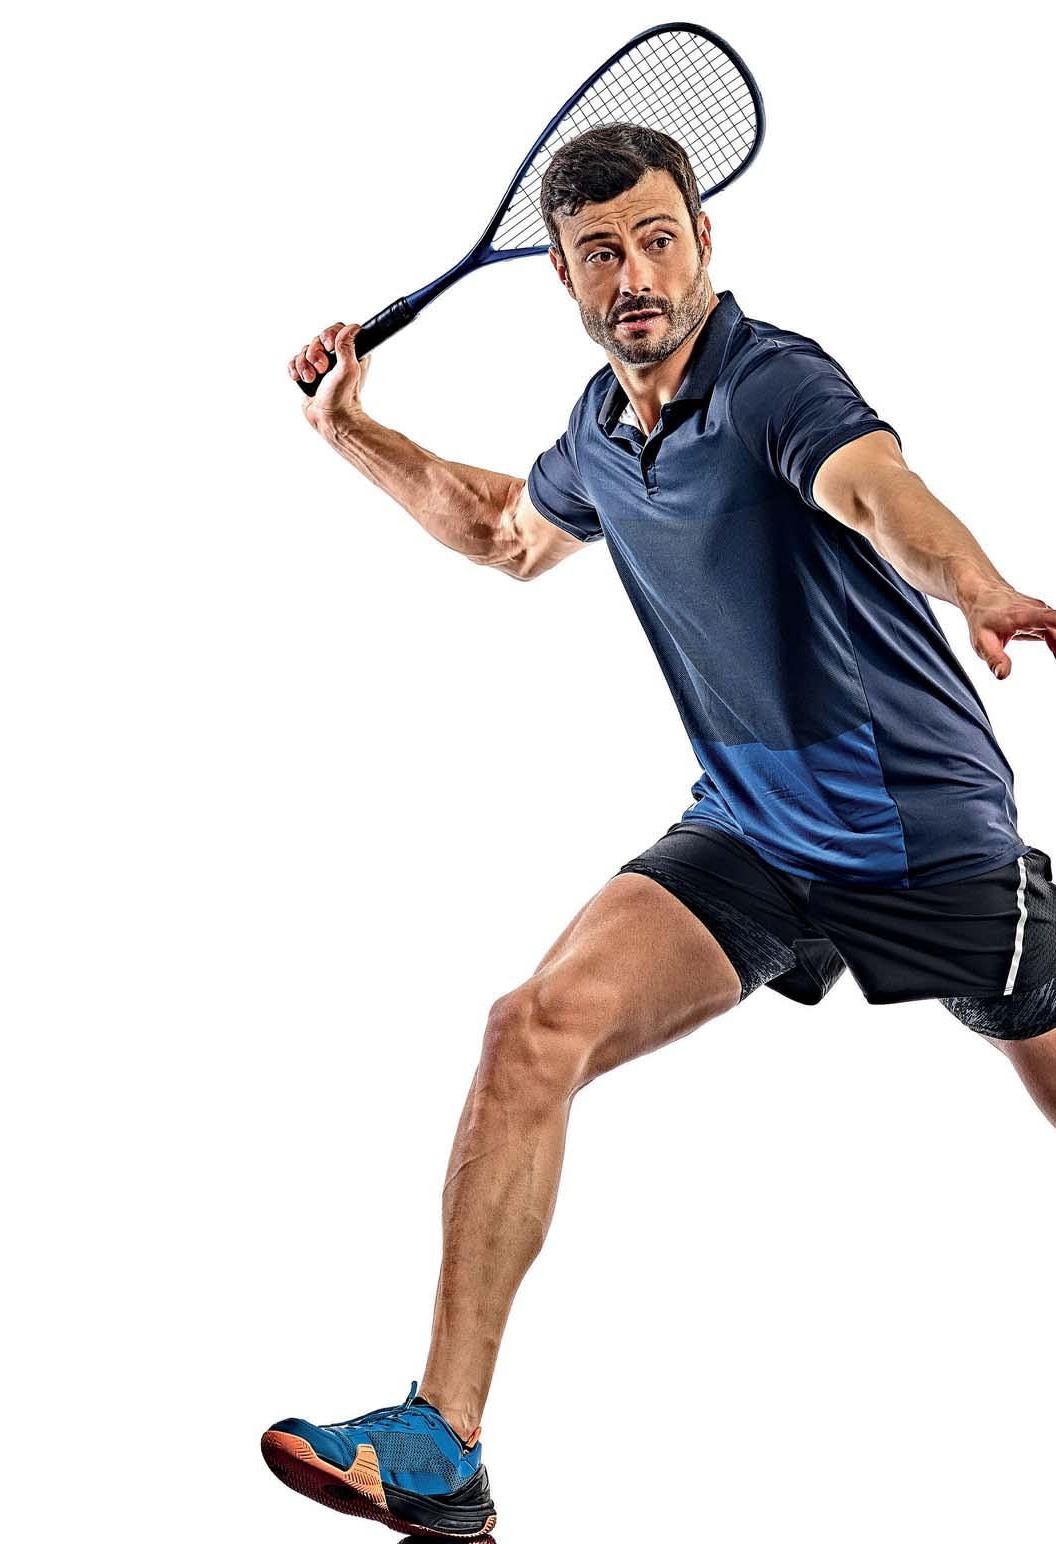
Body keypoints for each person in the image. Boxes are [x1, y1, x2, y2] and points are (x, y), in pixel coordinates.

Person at [262, 124, 1056, 1539]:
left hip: (914, 828)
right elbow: (505, 532)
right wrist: (350, 430)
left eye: (657, 239)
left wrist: (981, 586)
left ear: (703, 242)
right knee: (531, 1031)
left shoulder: (772, 382)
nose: (635, 274)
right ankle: (442, 1446)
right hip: (750, 829)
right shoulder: (598, 430)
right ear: (563, 275)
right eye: (600, 253)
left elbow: (878, 492)